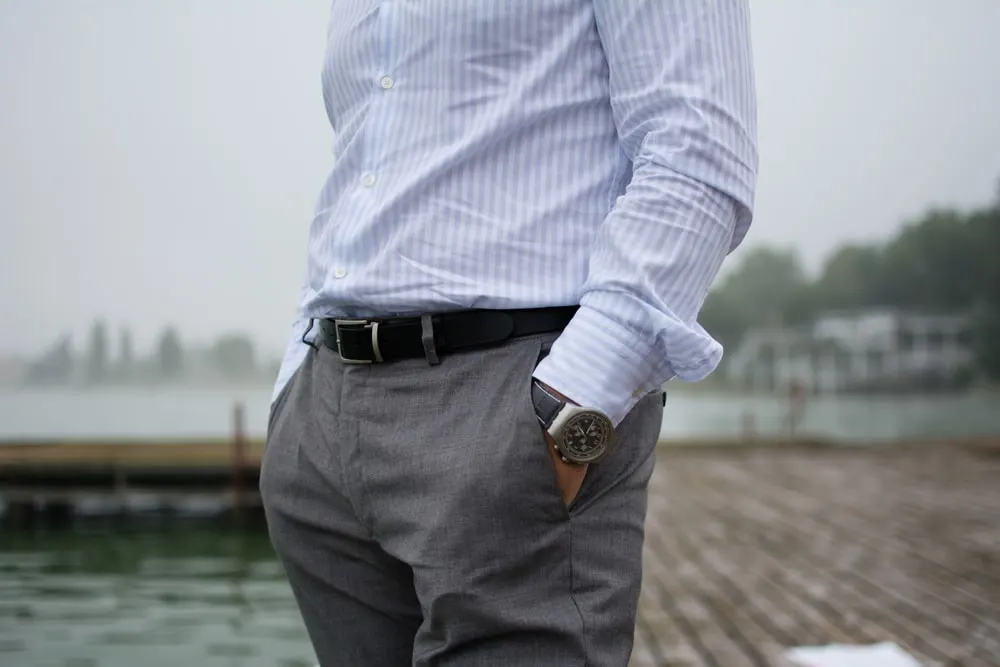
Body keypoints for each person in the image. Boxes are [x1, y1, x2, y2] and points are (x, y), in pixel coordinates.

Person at [260, 2, 758, 666]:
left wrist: (573, 404)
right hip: (326, 414)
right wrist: (295, 375)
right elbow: (365, 171)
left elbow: (699, 155)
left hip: (510, 395)